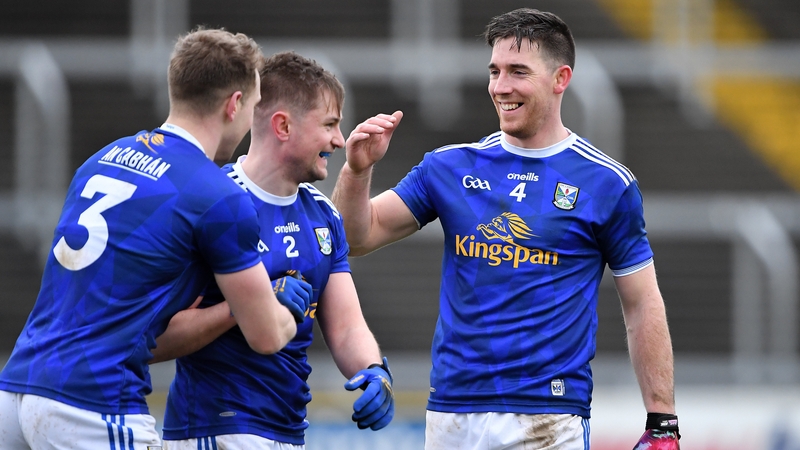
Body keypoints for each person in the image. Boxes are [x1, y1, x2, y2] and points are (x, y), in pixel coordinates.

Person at [332, 8, 680, 450]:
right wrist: (357, 171)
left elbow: (642, 302)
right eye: (495, 71)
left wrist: (662, 420)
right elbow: (355, 239)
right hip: (451, 413)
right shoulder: (450, 165)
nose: (501, 87)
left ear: (561, 79)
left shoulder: (606, 182)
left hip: (549, 417)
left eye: (518, 72)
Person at [0, 28, 307, 449]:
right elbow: (267, 336)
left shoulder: (101, 160)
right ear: (235, 105)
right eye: (253, 106)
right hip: (93, 404)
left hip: (17, 389)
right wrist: (283, 307)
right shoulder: (218, 195)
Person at [158, 51, 394, 450]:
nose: (339, 140)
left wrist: (374, 372)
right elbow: (158, 336)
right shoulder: (208, 202)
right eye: (330, 125)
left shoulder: (323, 216)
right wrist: (251, 306)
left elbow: (347, 326)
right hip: (213, 430)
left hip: (288, 432)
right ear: (283, 125)